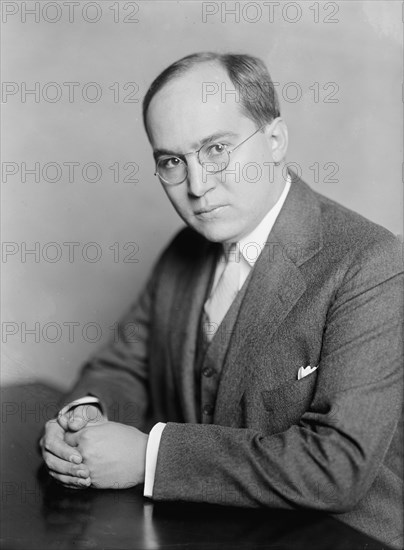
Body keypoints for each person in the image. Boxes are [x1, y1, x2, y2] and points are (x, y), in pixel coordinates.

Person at [40, 52, 403, 547]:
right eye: (172, 161)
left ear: (275, 141)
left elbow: (337, 465)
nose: (196, 186)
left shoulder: (372, 263)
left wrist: (150, 458)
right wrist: (84, 417)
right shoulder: (182, 253)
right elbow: (121, 366)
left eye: (215, 149)